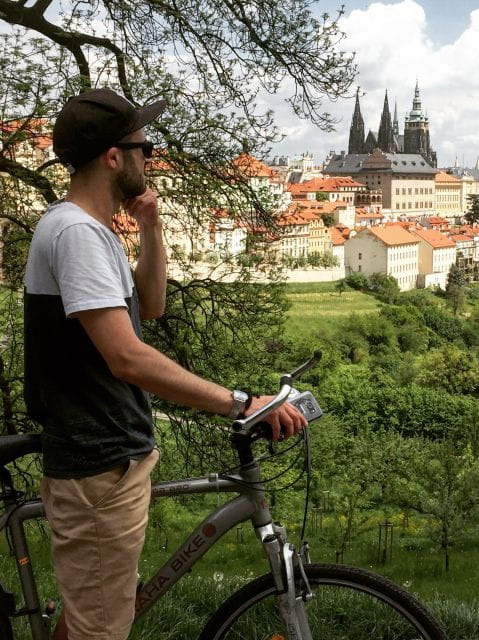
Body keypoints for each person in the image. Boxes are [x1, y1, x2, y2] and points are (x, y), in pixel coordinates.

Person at [23, 88, 307, 640]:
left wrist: (151, 225)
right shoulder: (77, 232)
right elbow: (128, 357)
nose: (151, 158)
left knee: (93, 613)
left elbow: (148, 306)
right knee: (101, 629)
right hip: (99, 462)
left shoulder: (89, 228)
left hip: (109, 458)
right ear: (113, 156)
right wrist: (240, 403)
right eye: (143, 147)